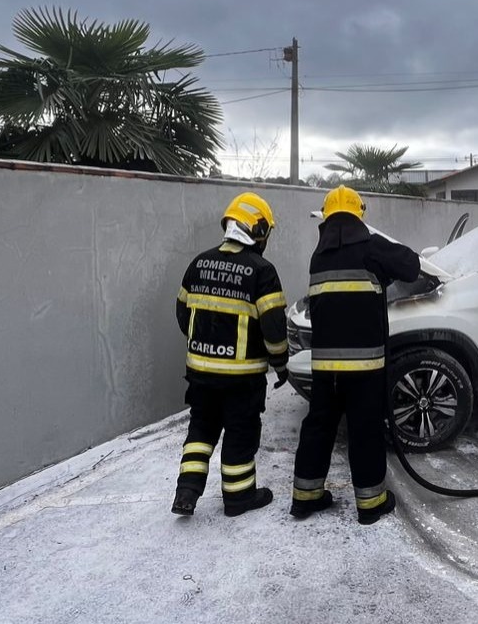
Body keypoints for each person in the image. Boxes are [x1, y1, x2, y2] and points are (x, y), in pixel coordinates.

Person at [290, 185, 420, 525]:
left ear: (327, 218)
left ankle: (305, 498)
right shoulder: (371, 248)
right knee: (364, 430)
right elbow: (411, 266)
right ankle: (371, 504)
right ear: (358, 216)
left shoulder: (318, 256)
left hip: (325, 367)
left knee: (319, 426)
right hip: (364, 366)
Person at [171, 192, 290, 518]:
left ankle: (186, 492)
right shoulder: (262, 271)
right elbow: (274, 329)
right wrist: (281, 365)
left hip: (200, 374)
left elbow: (182, 314)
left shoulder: (199, 263)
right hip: (242, 379)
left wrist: (205, 345)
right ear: (258, 230)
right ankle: (239, 498)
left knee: (200, 431)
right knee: (240, 433)